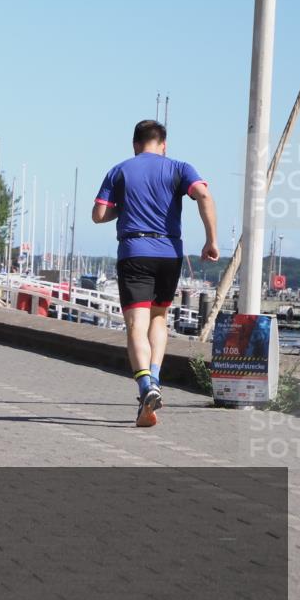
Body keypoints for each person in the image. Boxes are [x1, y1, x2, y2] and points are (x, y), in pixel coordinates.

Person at [93, 119, 218, 427]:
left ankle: (146, 385)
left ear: (135, 144)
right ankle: (157, 378)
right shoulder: (179, 167)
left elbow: (98, 215)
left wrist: (125, 205)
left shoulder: (119, 170)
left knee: (137, 324)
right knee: (159, 318)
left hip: (135, 251)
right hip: (168, 253)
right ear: (163, 145)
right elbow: (203, 194)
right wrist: (211, 240)